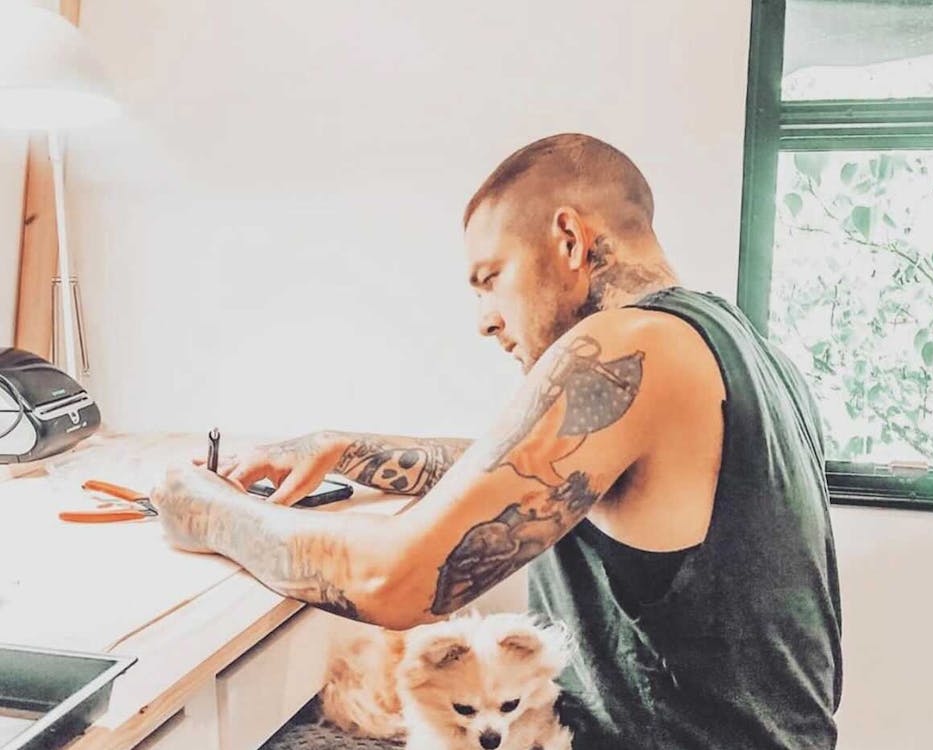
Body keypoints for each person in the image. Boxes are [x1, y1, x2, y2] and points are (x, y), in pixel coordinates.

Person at [151, 133, 842, 749]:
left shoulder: (632, 344)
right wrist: (345, 448)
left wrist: (202, 508)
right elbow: (543, 475)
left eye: (490, 279)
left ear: (569, 239)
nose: (485, 321)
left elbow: (396, 582)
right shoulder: (734, 344)